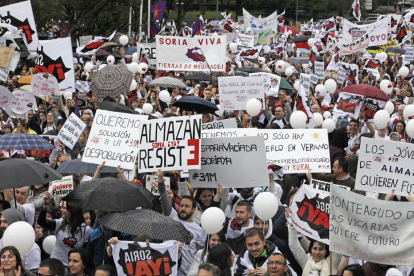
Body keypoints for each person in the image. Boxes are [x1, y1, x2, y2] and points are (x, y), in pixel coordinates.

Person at [158, 170, 206, 276]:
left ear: (193, 210)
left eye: (187, 206)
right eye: (181, 205)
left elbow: (202, 254)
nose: (183, 208)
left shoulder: (199, 230)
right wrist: (161, 181)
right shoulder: (172, 216)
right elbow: (164, 197)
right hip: (167, 271)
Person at [37, 196, 92, 267]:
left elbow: (86, 253)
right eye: (61, 207)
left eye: (64, 208)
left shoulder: (86, 230)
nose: (61, 210)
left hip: (72, 267)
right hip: (56, 264)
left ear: (72, 211)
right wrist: (46, 205)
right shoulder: (59, 223)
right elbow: (41, 222)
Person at [286, 208, 330, 276]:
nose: (317, 252)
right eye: (315, 248)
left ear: (326, 251)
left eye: (321, 249)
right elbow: (294, 246)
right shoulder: (306, 260)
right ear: (310, 249)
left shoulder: (331, 262)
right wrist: (292, 222)